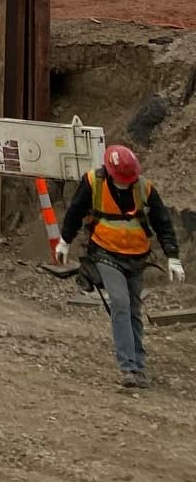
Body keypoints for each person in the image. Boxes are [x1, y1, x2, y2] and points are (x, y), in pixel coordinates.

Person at [56, 142, 184, 388]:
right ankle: (128, 368)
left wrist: (173, 256)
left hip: (136, 258)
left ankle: (138, 365)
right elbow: (74, 212)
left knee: (134, 309)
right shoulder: (93, 182)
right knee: (120, 303)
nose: (125, 182)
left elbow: (163, 222)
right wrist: (65, 241)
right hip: (105, 254)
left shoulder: (144, 188)